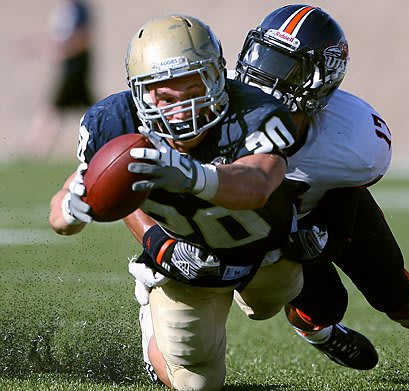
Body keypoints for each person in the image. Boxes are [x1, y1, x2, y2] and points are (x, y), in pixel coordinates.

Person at [233, 4, 409, 386]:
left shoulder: (351, 139)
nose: (266, 77)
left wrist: (329, 239)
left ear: (321, 79)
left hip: (325, 202)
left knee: (390, 284)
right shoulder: (222, 116)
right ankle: (319, 333)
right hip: (258, 227)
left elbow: (346, 188)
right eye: (264, 58)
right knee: (324, 305)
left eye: (288, 67)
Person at [49, 14, 308, 391]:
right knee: (197, 383)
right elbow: (61, 211)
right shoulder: (116, 124)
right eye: (165, 96)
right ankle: (153, 315)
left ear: (219, 77)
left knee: (271, 301)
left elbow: (258, 183)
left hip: (265, 254)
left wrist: (193, 175)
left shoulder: (252, 112)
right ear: (140, 94)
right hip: (188, 262)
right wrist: (72, 211)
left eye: (192, 90)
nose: (181, 110)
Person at [27, 0, 95, 158]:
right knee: (90, 110)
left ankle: (36, 149)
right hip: (69, 68)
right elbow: (59, 36)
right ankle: (37, 149)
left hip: (75, 69)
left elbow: (83, 37)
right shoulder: (65, 9)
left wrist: (63, 52)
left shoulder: (79, 10)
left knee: (54, 109)